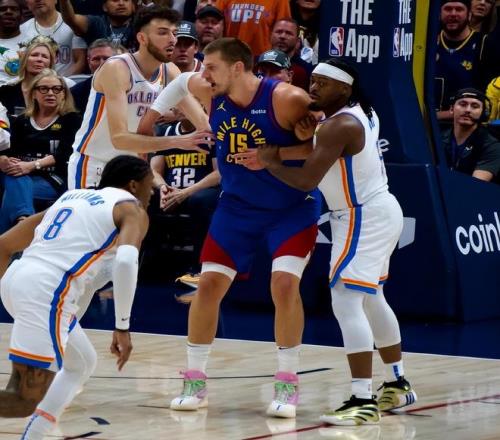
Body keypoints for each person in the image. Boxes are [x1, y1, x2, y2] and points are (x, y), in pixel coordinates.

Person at [138, 37, 320, 418]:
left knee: (284, 285)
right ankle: (195, 382)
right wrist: (152, 116)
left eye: (211, 67)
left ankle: (287, 384)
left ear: (237, 67)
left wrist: (273, 155)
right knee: (207, 286)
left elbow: (322, 146)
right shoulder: (210, 89)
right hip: (237, 207)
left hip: (290, 208)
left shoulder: (286, 98)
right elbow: (179, 81)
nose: (203, 74)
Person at [255, 59, 417, 425]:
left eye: (323, 83)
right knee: (372, 299)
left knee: (345, 300)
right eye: (312, 81)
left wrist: (271, 161)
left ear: (344, 88)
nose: (313, 88)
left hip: (361, 216)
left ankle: (362, 399)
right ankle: (397, 383)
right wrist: (308, 133)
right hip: (379, 210)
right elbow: (323, 149)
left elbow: (306, 181)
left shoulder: (339, 125)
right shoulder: (361, 113)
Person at [0, 155, 153, 439]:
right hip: (48, 290)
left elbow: (4, 245)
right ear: (133, 185)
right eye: (150, 184)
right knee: (22, 399)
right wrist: (122, 327)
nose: (152, 191)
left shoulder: (70, 198)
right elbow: (125, 262)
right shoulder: (132, 209)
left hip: (17, 280)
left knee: (81, 363)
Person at [66, 6, 212, 190]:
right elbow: (119, 139)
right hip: (95, 163)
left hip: (132, 167)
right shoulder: (117, 68)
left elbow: (203, 123)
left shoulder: (169, 71)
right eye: (163, 33)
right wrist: (178, 141)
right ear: (142, 38)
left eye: (174, 33)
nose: (172, 40)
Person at [0, 69, 81, 233]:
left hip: (53, 178)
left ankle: (18, 228)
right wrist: (3, 160)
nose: (50, 93)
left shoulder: (72, 120)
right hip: (19, 175)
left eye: (57, 89)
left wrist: (32, 165)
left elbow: (67, 153)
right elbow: (8, 150)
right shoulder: (21, 121)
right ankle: (22, 223)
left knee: (11, 193)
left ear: (64, 94)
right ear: (34, 94)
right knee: (16, 179)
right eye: (44, 89)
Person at [435, 0, 485, 123]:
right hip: (427, 124)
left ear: (469, 15)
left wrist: (441, 115)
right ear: (439, 14)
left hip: (467, 124)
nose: (453, 14)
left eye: (459, 9)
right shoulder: (428, 43)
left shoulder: (484, 44)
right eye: (448, 9)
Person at [0, 37, 75, 119]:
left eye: (45, 56)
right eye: (34, 55)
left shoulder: (62, 89)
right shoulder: (6, 91)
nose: (39, 59)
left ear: (51, 62)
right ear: (25, 59)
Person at [441, 88, 500, 183]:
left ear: (483, 113)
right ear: (452, 109)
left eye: (475, 106)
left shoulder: (491, 146)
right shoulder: (438, 138)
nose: (468, 110)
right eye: (463, 104)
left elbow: (475, 186)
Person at [20, 0, 87, 76]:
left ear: (56, 0)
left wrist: (60, 81)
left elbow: (80, 61)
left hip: (67, 80)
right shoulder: (22, 30)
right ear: (27, 3)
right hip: (33, 81)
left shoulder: (72, 24)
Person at [215, 0, 292, 56]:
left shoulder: (280, 1)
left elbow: (285, 32)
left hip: (262, 62)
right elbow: (215, 27)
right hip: (229, 59)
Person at [70, 38, 122, 113]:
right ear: (88, 62)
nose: (102, 63)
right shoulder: (76, 92)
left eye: (106, 58)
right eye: (96, 59)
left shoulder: (129, 87)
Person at [60, 0, 137, 50]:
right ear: (105, 7)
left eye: (126, 0)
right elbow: (71, 19)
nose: (121, 3)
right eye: (115, 0)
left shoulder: (140, 24)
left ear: (133, 6)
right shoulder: (97, 23)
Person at [270, 18, 313, 91]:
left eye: (288, 33)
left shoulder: (307, 71)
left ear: (297, 41)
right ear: (270, 36)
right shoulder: (256, 63)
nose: (282, 36)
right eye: (279, 32)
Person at [0, 0, 25, 85]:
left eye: (14, 9)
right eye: (3, 9)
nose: (8, 12)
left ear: (22, 16)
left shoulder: (33, 43)